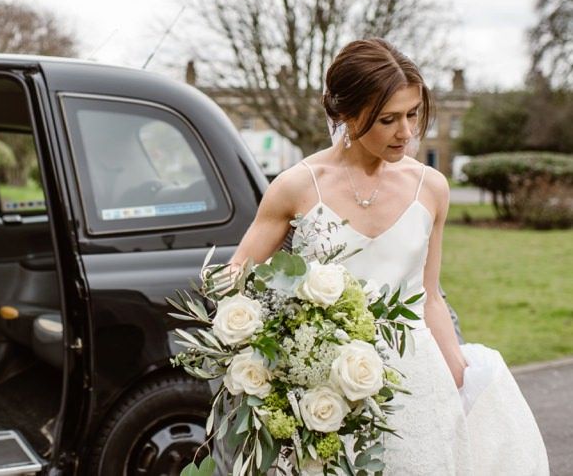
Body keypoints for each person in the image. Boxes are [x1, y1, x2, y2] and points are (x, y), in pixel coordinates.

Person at [227, 38, 549, 475]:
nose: (407, 132)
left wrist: (456, 369)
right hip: (324, 390)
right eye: (388, 119)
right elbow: (238, 280)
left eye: (413, 114)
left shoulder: (432, 188)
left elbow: (429, 295)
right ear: (346, 114)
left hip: (418, 383)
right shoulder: (296, 186)